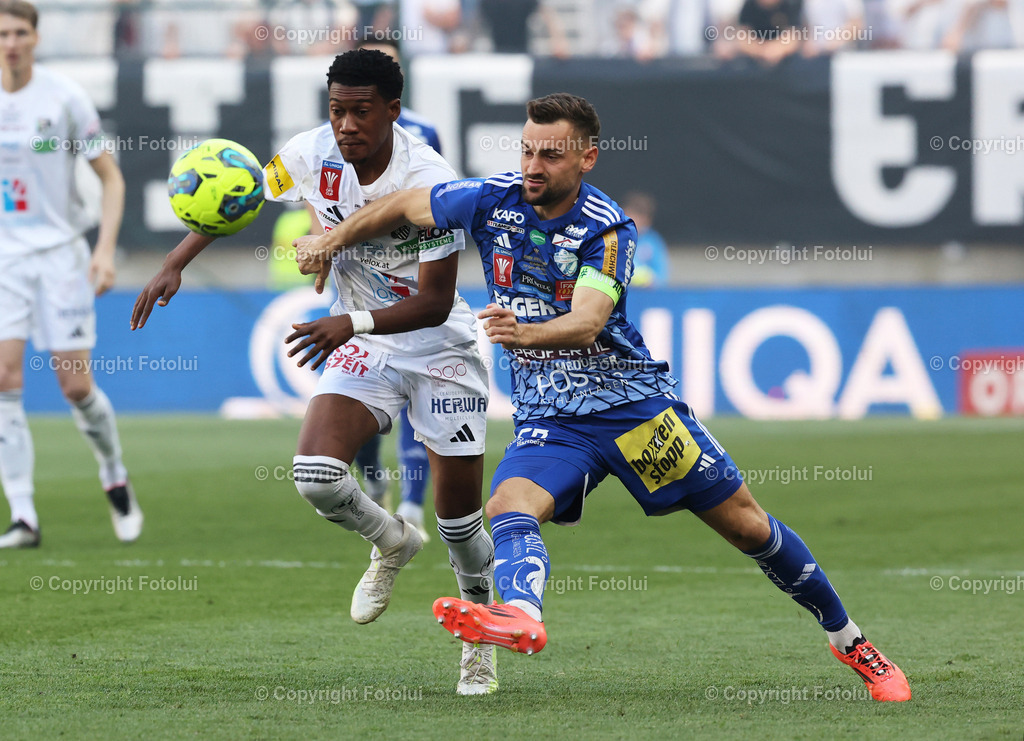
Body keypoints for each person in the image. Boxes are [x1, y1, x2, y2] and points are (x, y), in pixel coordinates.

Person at [294, 92, 912, 702]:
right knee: (508, 507)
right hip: (552, 420)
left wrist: (522, 332)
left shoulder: (606, 228)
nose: (534, 166)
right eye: (527, 151)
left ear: (587, 158)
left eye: (551, 155)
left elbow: (588, 321)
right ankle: (520, 615)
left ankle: (850, 641)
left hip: (634, 411)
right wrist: (331, 238)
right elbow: (405, 203)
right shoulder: (491, 199)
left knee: (749, 527)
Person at [131, 49, 497, 696]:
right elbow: (239, 194)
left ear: (393, 110)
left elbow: (436, 302)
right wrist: (175, 261)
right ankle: (392, 541)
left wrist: (349, 322)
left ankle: (479, 640)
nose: (346, 125)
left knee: (460, 524)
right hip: (367, 340)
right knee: (316, 476)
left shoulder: (429, 179)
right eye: (336, 111)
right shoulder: (308, 153)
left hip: (439, 347)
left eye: (361, 112)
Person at [0, 0, 142, 548]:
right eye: (3, 34)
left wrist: (103, 251)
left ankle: (114, 473)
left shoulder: (63, 98)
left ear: (35, 38)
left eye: (20, 33)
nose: (11, 43)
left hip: (61, 254)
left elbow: (111, 178)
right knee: (4, 379)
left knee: (76, 386)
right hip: (7, 261)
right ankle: (23, 516)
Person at [621, 191, 668, 288]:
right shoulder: (613, 237)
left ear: (647, 220)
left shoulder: (653, 241)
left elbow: (662, 275)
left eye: (638, 218)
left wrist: (650, 280)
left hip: (645, 293)